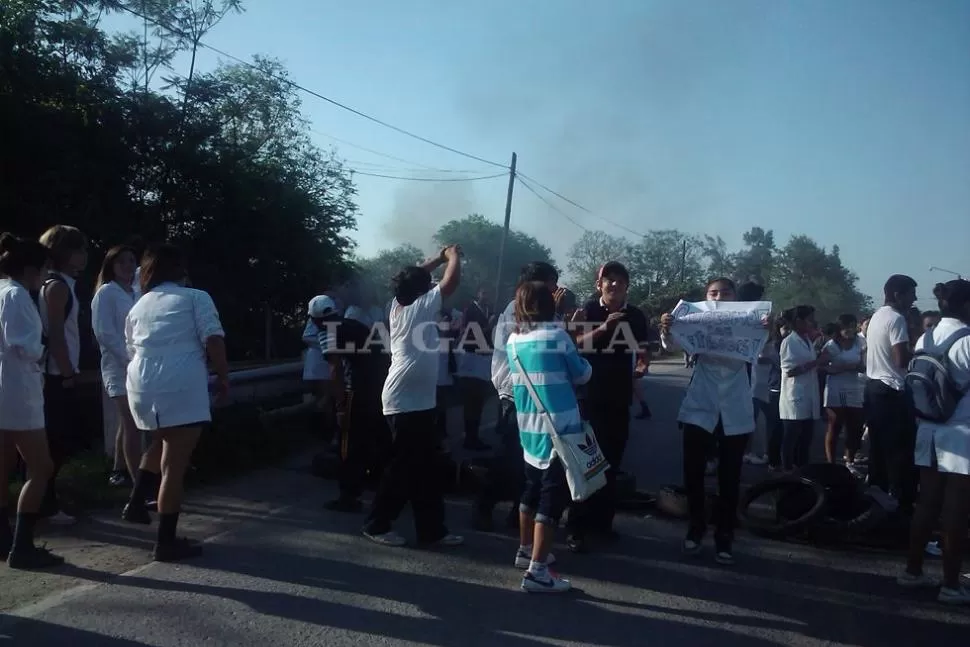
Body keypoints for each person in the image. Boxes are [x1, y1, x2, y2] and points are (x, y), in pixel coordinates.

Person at [122, 244, 229, 562]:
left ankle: (136, 501)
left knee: (160, 438)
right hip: (180, 382)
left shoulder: (138, 305)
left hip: (141, 383)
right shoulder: (196, 297)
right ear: (180, 270)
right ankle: (165, 542)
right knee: (174, 465)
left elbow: (130, 346)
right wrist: (223, 376)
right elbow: (213, 337)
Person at [362, 245, 464, 548]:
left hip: (416, 402)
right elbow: (451, 283)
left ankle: (432, 530)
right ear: (421, 290)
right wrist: (454, 256)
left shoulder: (398, 302)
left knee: (427, 469)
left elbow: (420, 275)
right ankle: (377, 524)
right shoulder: (420, 305)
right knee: (403, 469)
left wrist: (438, 256)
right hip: (405, 402)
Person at [660, 277, 757, 564]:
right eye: (713, 293)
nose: (719, 296)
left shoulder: (749, 321)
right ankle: (695, 528)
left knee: (730, 477)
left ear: (735, 297)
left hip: (735, 407)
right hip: (700, 405)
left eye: (725, 292)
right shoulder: (697, 318)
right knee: (693, 473)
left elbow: (762, 349)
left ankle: (725, 535)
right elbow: (671, 346)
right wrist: (667, 329)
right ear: (705, 298)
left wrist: (769, 330)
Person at [507, 281, 591, 593]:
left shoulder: (514, 340)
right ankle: (537, 573)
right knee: (550, 498)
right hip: (559, 430)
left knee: (530, 489)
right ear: (549, 304)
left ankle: (525, 549)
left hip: (528, 427)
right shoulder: (557, 336)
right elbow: (582, 373)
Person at [474, 262, 562, 532]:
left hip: (537, 395)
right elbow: (534, 346)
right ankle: (484, 507)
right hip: (517, 393)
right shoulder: (517, 310)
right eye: (551, 283)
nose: (555, 289)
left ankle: (518, 512)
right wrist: (555, 314)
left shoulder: (545, 312)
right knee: (509, 457)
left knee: (532, 459)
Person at [567, 261, 649, 553]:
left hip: (619, 397)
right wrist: (605, 327)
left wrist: (641, 366)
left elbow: (642, 350)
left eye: (619, 281)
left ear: (627, 285)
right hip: (588, 397)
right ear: (599, 284)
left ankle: (603, 524)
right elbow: (576, 345)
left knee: (611, 465)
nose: (614, 285)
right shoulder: (588, 310)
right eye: (608, 280)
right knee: (585, 463)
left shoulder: (636, 315)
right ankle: (575, 527)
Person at [898, 280, 970, 604]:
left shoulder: (926, 337)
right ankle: (951, 585)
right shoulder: (968, 340)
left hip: (927, 429)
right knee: (956, 510)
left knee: (926, 504)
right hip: (961, 434)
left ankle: (912, 571)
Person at [0, 234, 65, 569]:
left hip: (2, 388)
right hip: (18, 391)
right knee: (40, 467)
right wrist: (42, 350)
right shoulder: (17, 295)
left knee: (4, 463)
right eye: (42, 270)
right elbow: (24, 346)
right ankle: (22, 545)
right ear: (31, 270)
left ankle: (3, 534)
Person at [313, 294, 389, 513]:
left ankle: (349, 496)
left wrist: (339, 406)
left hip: (358, 391)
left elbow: (335, 369)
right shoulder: (354, 324)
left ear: (315, 319)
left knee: (349, 444)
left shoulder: (327, 331)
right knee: (377, 437)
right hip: (381, 388)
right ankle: (380, 483)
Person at [36, 224, 88, 525]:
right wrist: (68, 372)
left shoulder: (57, 283)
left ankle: (47, 499)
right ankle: (45, 503)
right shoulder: (57, 286)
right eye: (79, 249)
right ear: (65, 252)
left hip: (56, 373)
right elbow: (56, 334)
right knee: (56, 441)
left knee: (58, 441)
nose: (83, 256)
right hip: (55, 375)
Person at [865, 274, 919, 513]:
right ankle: (900, 508)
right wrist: (919, 351)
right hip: (892, 390)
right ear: (898, 294)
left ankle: (876, 502)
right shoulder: (897, 319)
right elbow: (900, 359)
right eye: (911, 293)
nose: (915, 298)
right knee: (900, 453)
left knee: (878, 451)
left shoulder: (877, 316)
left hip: (874, 388)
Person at [92, 245, 141, 487]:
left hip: (140, 364)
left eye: (131, 260)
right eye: (121, 261)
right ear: (111, 265)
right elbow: (104, 333)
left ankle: (119, 467)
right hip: (119, 365)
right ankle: (136, 477)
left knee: (129, 420)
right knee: (130, 419)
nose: (128, 266)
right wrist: (128, 357)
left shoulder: (137, 291)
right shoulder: (106, 293)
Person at [779, 306, 825, 471]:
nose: (813, 323)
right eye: (810, 319)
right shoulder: (789, 342)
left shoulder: (807, 341)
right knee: (791, 437)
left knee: (806, 438)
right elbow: (790, 370)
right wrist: (817, 362)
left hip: (808, 394)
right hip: (795, 397)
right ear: (798, 321)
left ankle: (803, 471)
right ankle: (787, 470)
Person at [822, 314, 866, 467]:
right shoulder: (831, 345)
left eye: (852, 326)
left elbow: (865, 364)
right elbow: (821, 366)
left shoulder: (860, 342)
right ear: (839, 328)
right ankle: (831, 463)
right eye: (845, 326)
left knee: (855, 427)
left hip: (855, 387)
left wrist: (857, 367)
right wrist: (838, 369)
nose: (849, 330)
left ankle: (850, 460)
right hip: (835, 387)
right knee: (835, 425)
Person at [457, 285, 495, 451]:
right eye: (484, 292)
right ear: (478, 293)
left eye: (489, 293)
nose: (487, 296)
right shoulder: (470, 309)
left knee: (479, 400)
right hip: (472, 357)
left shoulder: (489, 310)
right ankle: (470, 438)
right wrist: (488, 327)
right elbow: (467, 332)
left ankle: (474, 436)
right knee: (472, 400)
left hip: (483, 357)